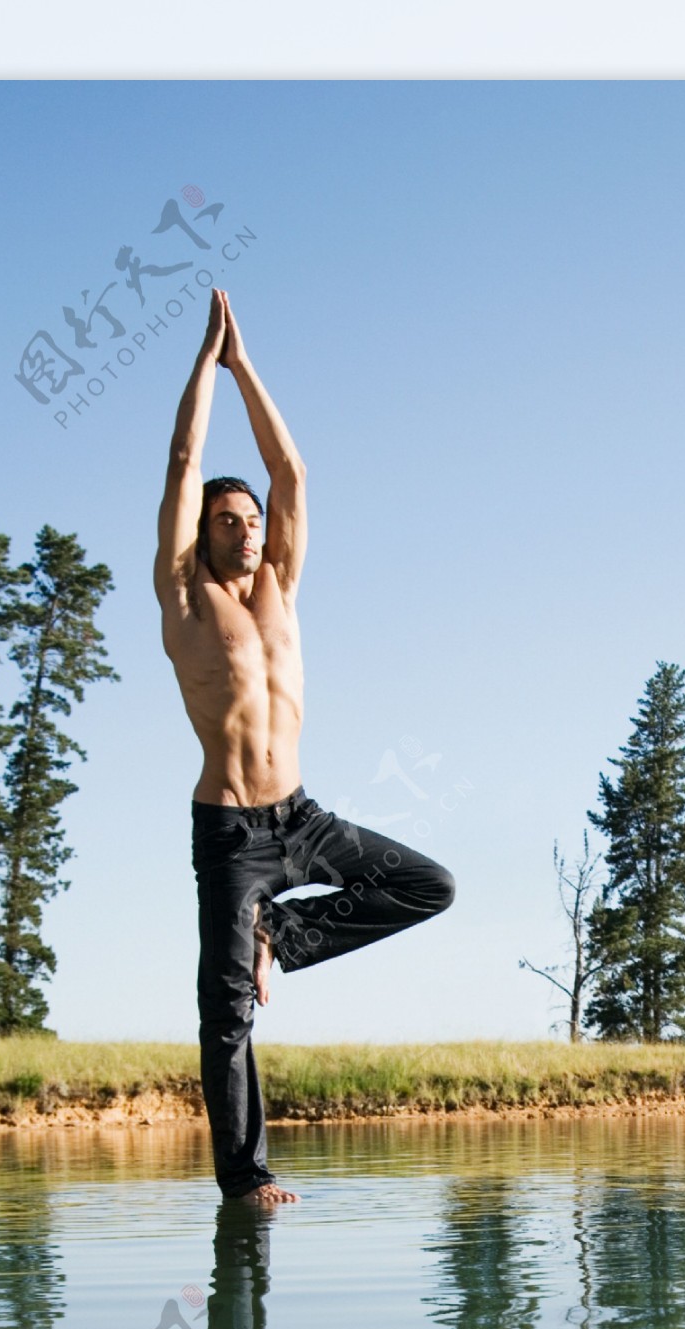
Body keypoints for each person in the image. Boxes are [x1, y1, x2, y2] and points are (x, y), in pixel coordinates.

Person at [155, 287, 455, 1205]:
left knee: (427, 885)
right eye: (227, 522)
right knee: (227, 1017)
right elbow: (182, 460)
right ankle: (246, 1181)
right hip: (231, 836)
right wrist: (206, 368)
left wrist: (249, 367)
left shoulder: (282, 585)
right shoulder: (184, 598)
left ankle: (280, 934)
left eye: (251, 521)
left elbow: (294, 469)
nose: (246, 531)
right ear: (202, 539)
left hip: (303, 816)